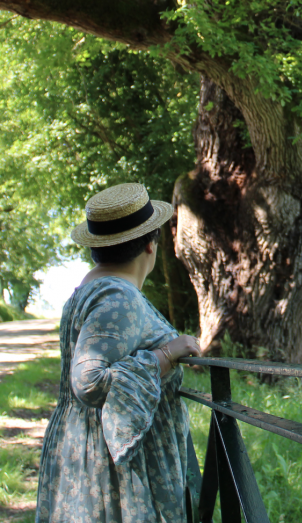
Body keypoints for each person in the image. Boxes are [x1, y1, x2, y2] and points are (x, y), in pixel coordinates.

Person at [35, 182, 202, 523]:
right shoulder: (118, 298)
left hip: (90, 448)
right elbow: (89, 381)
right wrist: (167, 355)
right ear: (151, 245)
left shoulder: (91, 290)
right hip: (112, 466)